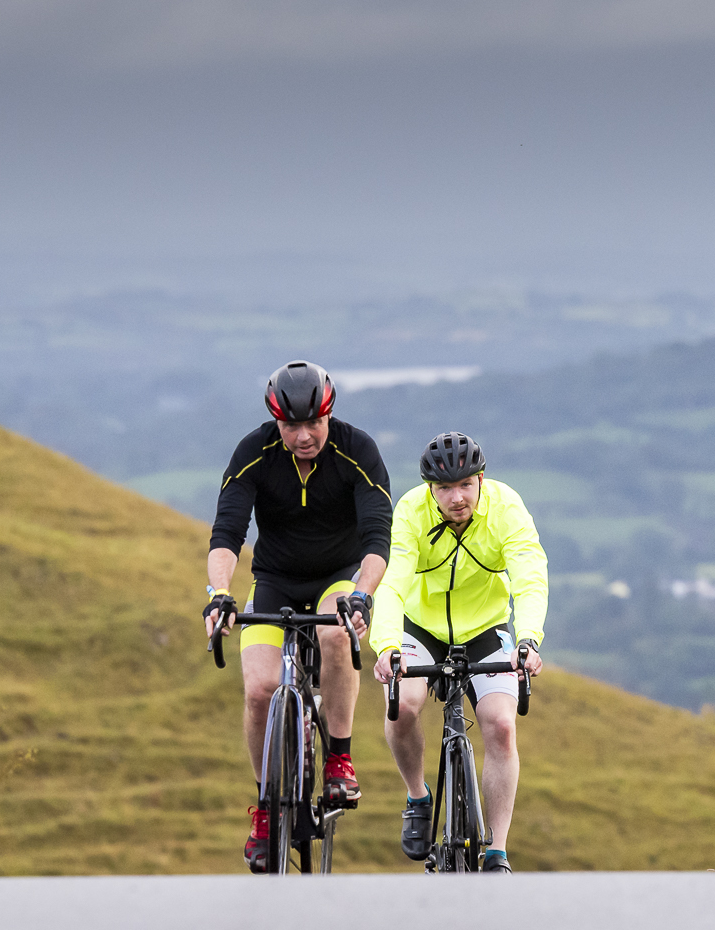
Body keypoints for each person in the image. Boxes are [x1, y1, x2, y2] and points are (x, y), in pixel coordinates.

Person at [203, 360, 392, 873]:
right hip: (276, 582)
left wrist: (362, 595)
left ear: (329, 415)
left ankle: (339, 757)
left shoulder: (357, 450)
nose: (304, 436)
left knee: (336, 633)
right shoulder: (254, 451)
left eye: (314, 423)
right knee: (260, 690)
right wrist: (220, 594)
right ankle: (266, 809)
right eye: (291, 426)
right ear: (276, 421)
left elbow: (377, 538)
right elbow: (227, 533)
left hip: (338, 578)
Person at [370, 431, 547, 874]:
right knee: (402, 707)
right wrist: (387, 645)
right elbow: (392, 584)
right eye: (445, 488)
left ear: (481, 479)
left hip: (486, 630)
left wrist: (528, 639)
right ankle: (417, 796)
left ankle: (497, 851)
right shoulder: (411, 510)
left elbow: (529, 577)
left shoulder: (506, 507)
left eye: (466, 485)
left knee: (501, 726)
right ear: (430, 489)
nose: (457, 498)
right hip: (421, 628)